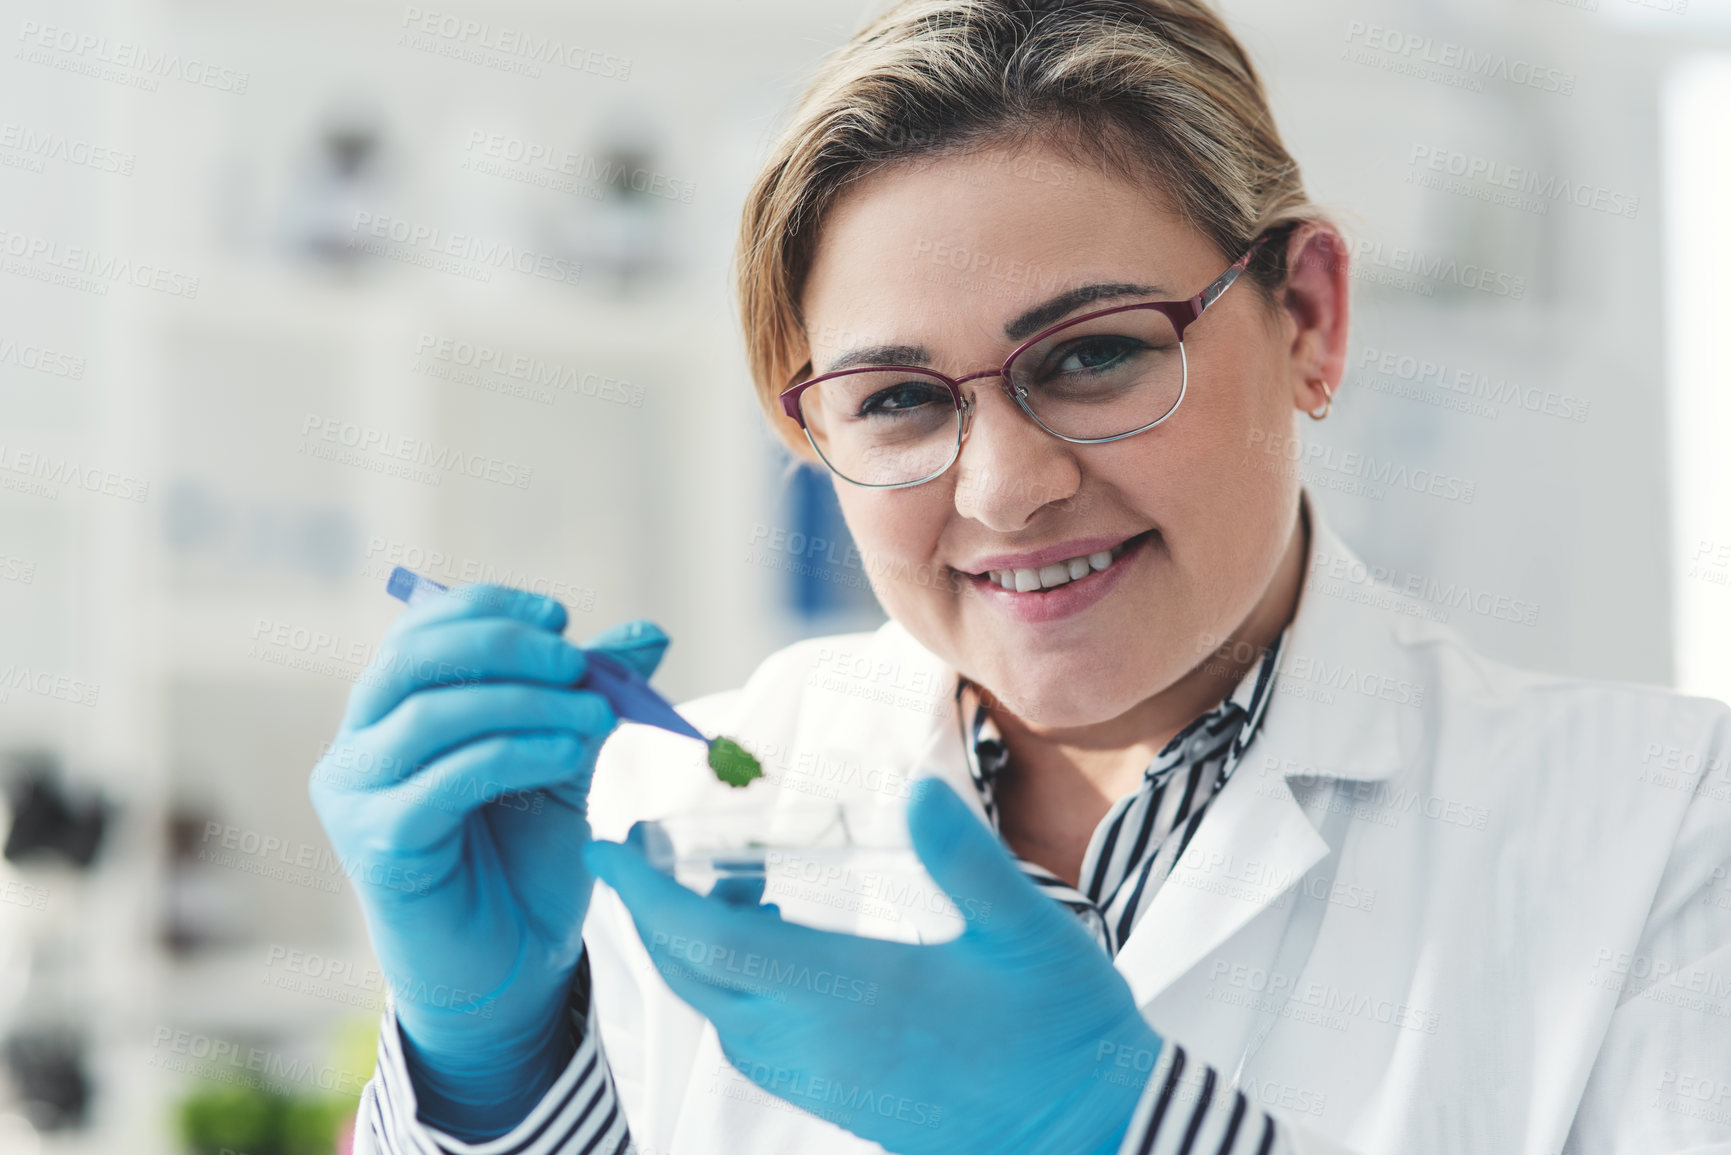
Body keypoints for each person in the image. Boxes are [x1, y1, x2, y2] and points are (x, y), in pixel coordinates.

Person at [309, 1, 1731, 1152]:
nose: (1006, 488)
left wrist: (1133, 1131)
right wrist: (491, 1081)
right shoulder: (666, 818)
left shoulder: (1664, 835)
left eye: (1096, 353)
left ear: (1306, 315)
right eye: (897, 402)